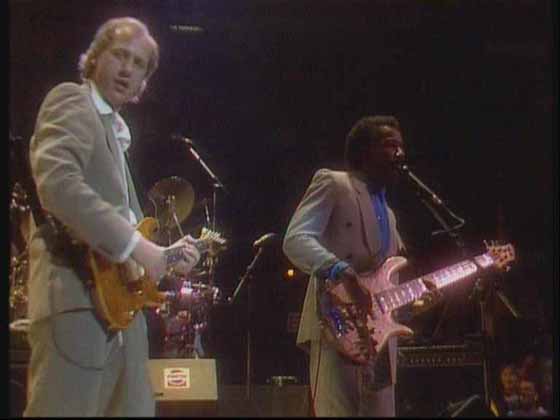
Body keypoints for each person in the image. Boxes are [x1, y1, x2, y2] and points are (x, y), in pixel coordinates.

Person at [24, 17, 201, 417]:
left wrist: (167, 256)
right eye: (119, 55)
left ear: (143, 83)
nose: (127, 69)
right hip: (75, 301)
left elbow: (128, 233)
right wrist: (140, 248)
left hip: (121, 316)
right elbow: (58, 185)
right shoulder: (72, 101)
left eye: (138, 64)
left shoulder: (116, 138)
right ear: (94, 59)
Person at [283, 115, 440, 416]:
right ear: (365, 151)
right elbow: (295, 239)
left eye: (401, 146)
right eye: (390, 145)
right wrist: (340, 271)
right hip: (334, 325)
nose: (400, 153)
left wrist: (416, 303)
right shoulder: (334, 183)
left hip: (378, 341)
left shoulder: (390, 215)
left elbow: (383, 287)